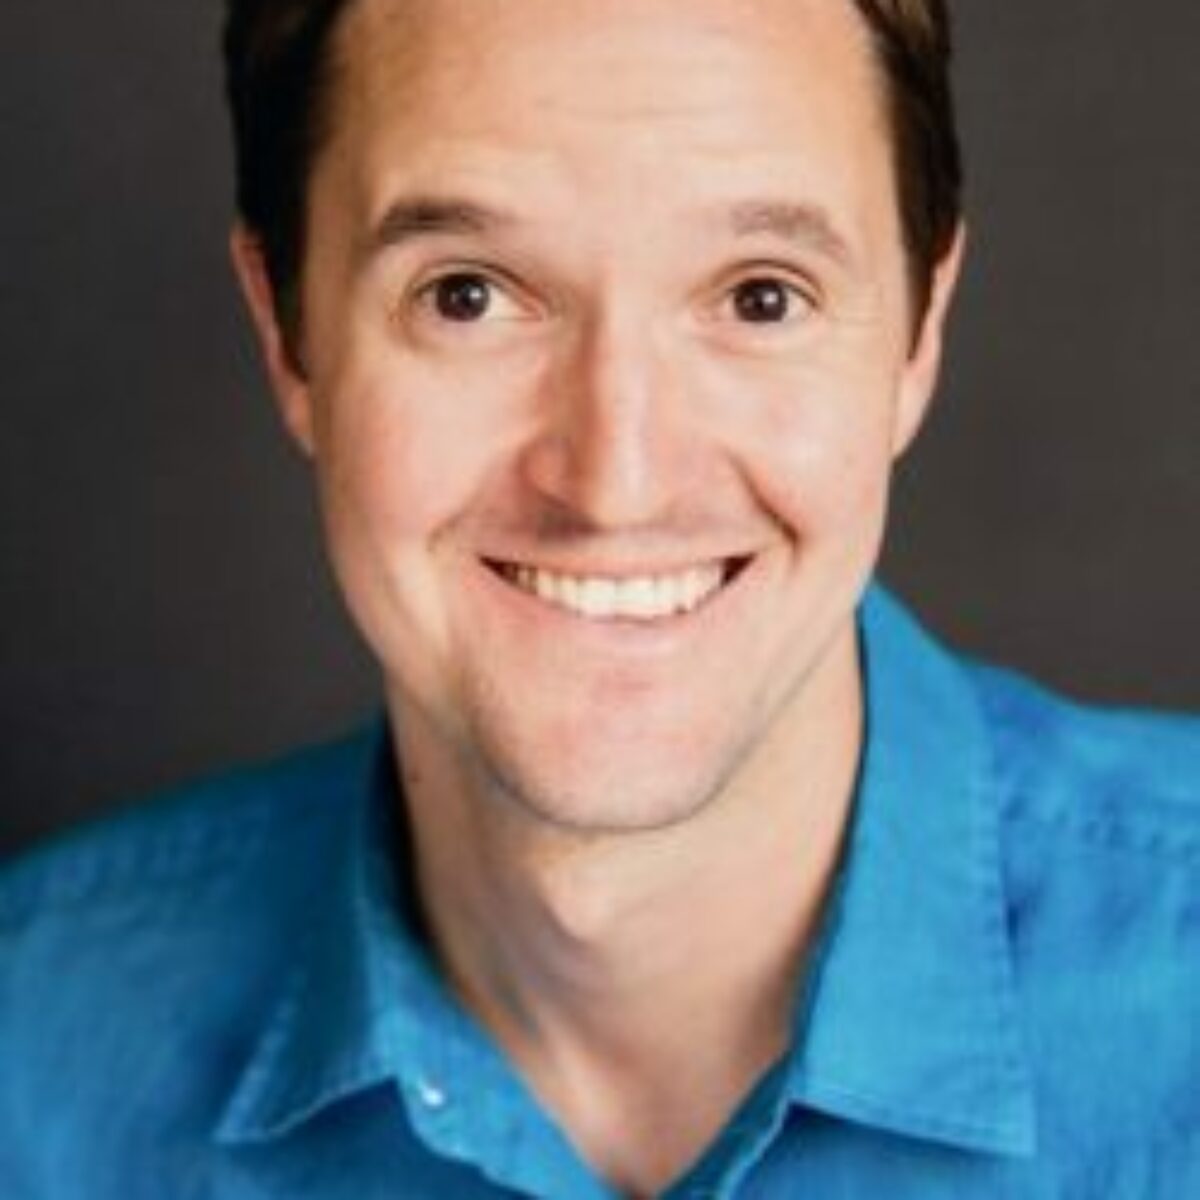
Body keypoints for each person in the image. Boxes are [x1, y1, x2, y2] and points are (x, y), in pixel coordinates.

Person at [1, 0, 1196, 1194]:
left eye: (761, 296)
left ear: (918, 336)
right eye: (466, 295)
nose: (616, 484)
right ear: (288, 331)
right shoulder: (34, 1057)